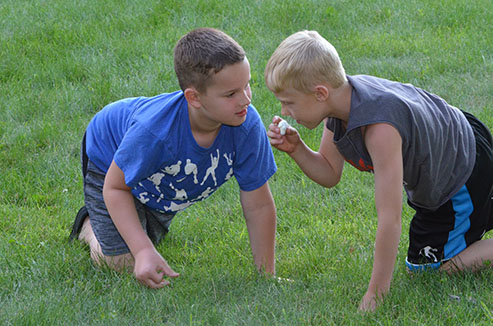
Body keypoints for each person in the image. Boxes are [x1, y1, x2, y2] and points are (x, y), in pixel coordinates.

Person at [264, 30, 493, 311]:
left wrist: (376, 294)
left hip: (461, 169)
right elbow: (329, 173)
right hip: (459, 137)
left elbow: (389, 217)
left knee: (429, 270)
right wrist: (297, 149)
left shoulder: (379, 129)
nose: (285, 112)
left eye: (289, 102)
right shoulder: (339, 106)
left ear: (320, 93)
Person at [69, 28, 277, 288]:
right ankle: (89, 225)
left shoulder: (246, 125)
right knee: (122, 263)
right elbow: (115, 186)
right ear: (194, 97)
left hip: (152, 174)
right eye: (231, 94)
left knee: (147, 237)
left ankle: (138, 220)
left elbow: (258, 205)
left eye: (247, 85)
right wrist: (142, 251)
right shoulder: (155, 132)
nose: (246, 99)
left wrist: (266, 275)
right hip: (108, 156)